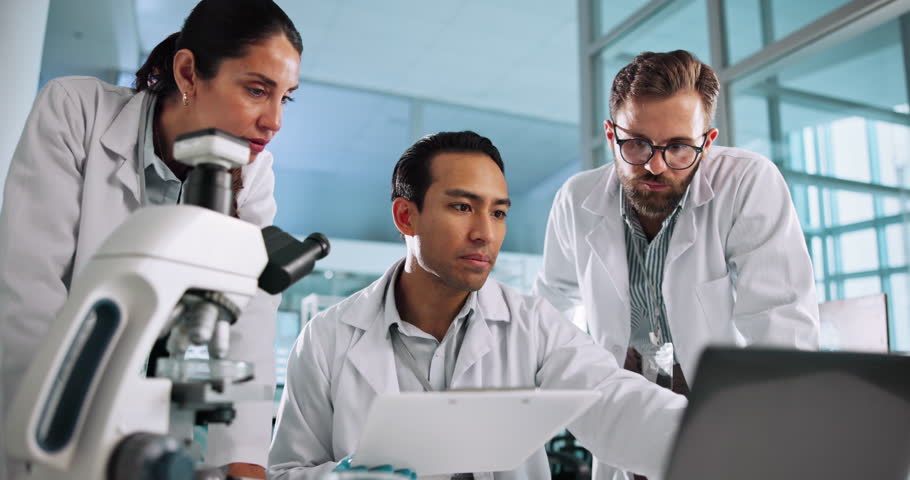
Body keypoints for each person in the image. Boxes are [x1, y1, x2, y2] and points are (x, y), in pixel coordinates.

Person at [268, 131, 688, 480]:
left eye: (499, 213)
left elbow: (609, 398)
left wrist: (710, 438)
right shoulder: (326, 338)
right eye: (462, 207)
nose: (485, 234)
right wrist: (351, 478)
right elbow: (285, 471)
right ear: (405, 216)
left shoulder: (532, 324)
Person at [0, 1, 302, 478]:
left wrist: (242, 461)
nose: (274, 121)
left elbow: (252, 319)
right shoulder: (77, 111)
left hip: (153, 434)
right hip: (48, 429)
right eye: (256, 90)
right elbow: (29, 292)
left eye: (285, 98)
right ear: (188, 73)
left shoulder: (254, 171)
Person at [532, 50, 820, 479]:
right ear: (610, 134)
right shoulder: (577, 199)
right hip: (621, 409)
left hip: (719, 411)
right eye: (637, 143)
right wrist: (588, 380)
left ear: (709, 140)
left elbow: (782, 330)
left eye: (680, 147)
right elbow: (549, 311)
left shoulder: (746, 184)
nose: (655, 164)